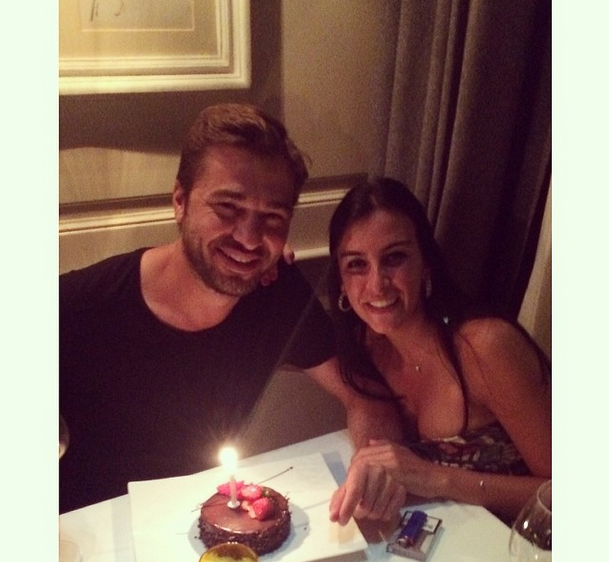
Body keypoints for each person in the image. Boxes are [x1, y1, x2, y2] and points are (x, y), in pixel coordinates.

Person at [59, 103, 397, 513]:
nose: (250, 239)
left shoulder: (277, 293)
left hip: (204, 522)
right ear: (180, 200)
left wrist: (374, 463)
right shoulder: (76, 306)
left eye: (272, 217)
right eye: (227, 208)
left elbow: (366, 396)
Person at [325, 177, 551, 525]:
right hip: (444, 536)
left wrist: (437, 479)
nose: (377, 284)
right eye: (357, 264)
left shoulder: (485, 348)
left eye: (395, 258)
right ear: (341, 280)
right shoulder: (366, 344)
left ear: (426, 263)